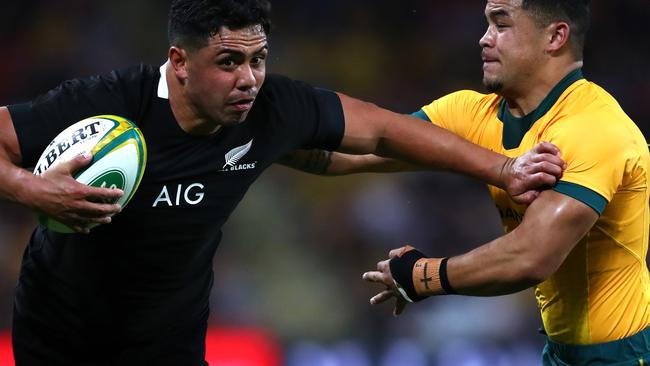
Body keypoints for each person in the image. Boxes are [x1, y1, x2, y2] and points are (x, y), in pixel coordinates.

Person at [0, 0, 565, 365]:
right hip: (58, 335)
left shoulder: (272, 107)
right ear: (179, 61)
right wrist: (31, 190)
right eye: (228, 62)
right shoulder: (106, 103)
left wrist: (501, 167)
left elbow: (384, 132)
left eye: (259, 59)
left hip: (164, 344)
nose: (248, 79)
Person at [336, 0, 649, 364]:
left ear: (555, 36)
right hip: (560, 352)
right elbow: (365, 145)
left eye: (501, 25)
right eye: (487, 24)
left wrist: (423, 276)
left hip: (624, 356)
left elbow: (532, 255)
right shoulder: (471, 113)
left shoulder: (595, 128)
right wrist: (282, 128)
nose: (484, 39)